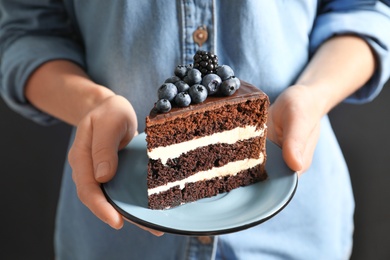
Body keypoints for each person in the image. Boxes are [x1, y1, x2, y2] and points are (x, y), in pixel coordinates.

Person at [1, 0, 390, 259]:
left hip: (292, 234)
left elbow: (364, 10)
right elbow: (27, 32)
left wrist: (313, 94)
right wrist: (92, 104)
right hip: (114, 241)